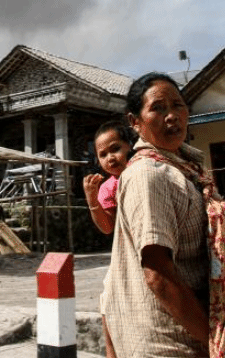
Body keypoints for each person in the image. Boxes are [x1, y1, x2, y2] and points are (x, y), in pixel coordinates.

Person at [102, 72, 225, 358]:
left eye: (178, 105)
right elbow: (158, 273)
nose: (172, 116)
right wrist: (218, 342)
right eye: (158, 108)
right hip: (171, 342)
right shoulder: (148, 175)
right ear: (135, 122)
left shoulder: (185, 168)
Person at [83, 121, 136, 358]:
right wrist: (92, 198)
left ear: (130, 146)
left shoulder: (142, 171)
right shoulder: (108, 188)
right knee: (109, 307)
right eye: (102, 154)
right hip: (127, 254)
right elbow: (107, 227)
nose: (110, 158)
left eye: (115, 149)